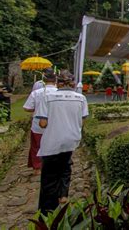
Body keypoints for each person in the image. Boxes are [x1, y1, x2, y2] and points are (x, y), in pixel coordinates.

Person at [35, 70, 88, 213]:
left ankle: (47, 212)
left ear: (58, 82)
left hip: (53, 140)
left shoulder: (48, 97)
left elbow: (43, 124)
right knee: (65, 166)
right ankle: (62, 194)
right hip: (71, 139)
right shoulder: (81, 98)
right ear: (73, 83)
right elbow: (82, 121)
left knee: (49, 177)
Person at [23, 69, 57, 175]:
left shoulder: (36, 93)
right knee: (54, 145)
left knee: (36, 146)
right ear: (55, 80)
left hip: (38, 125)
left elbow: (27, 108)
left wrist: (37, 108)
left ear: (44, 80)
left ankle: (37, 168)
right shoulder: (59, 93)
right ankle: (53, 166)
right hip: (55, 124)